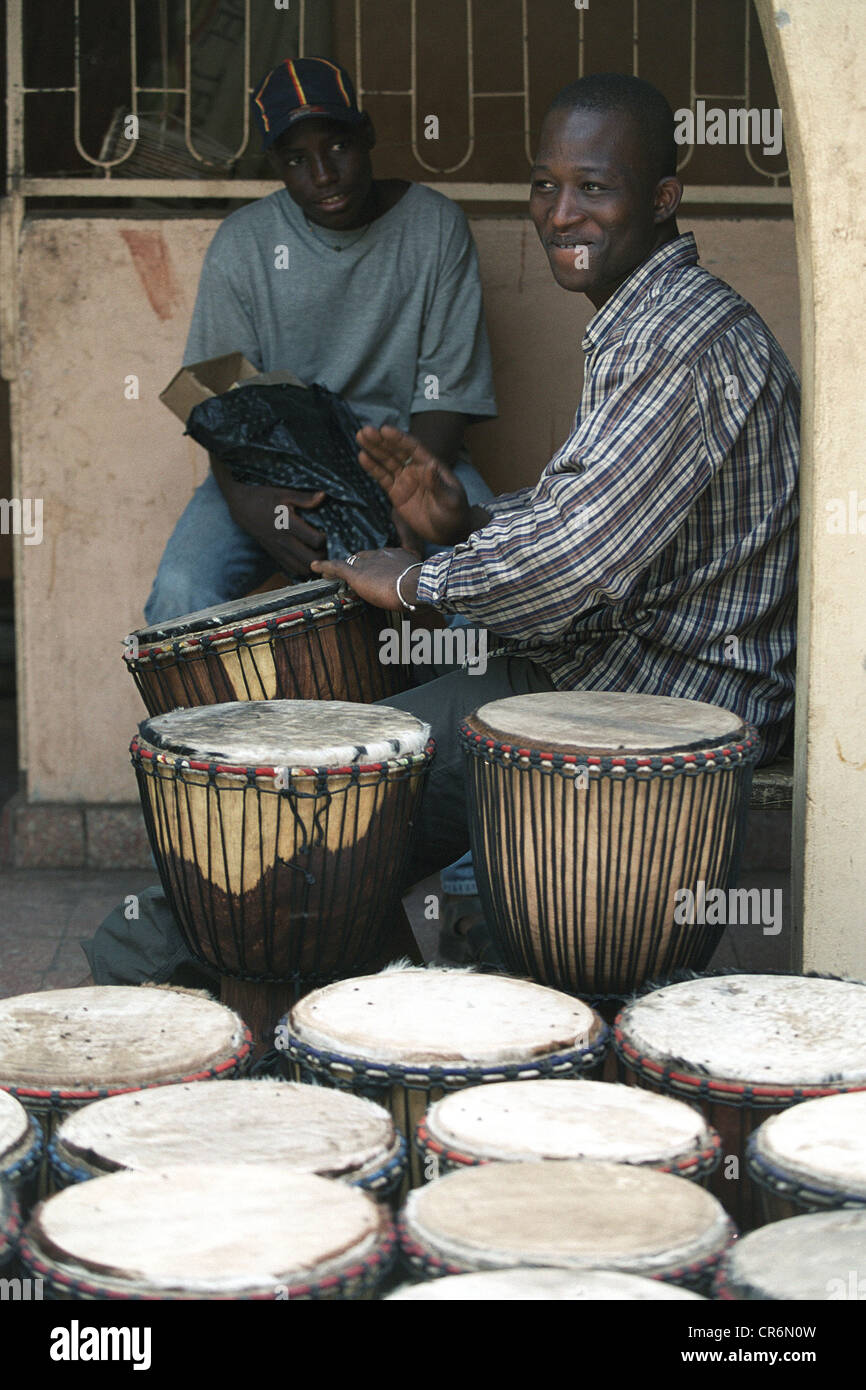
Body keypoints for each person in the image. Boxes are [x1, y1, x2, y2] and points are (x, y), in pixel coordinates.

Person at [86, 72, 798, 985]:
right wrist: (469, 521)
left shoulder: (679, 343)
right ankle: (361, 1006)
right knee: (334, 791)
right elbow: (601, 520)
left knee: (300, 806)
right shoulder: (654, 322)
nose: (561, 214)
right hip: (612, 672)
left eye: (594, 187)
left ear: (663, 199)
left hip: (649, 697)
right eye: (546, 185)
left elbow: (574, 564)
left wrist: (421, 579)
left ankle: (135, 989)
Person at [145, 56, 496, 624]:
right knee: (180, 595)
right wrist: (250, 505)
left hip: (414, 457)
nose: (324, 174)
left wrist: (404, 495)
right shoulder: (245, 242)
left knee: (488, 590)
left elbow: (445, 398)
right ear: (276, 166)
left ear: (368, 134)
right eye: (296, 159)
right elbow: (215, 402)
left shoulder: (434, 228)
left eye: (337, 146)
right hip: (276, 473)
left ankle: (450, 715)